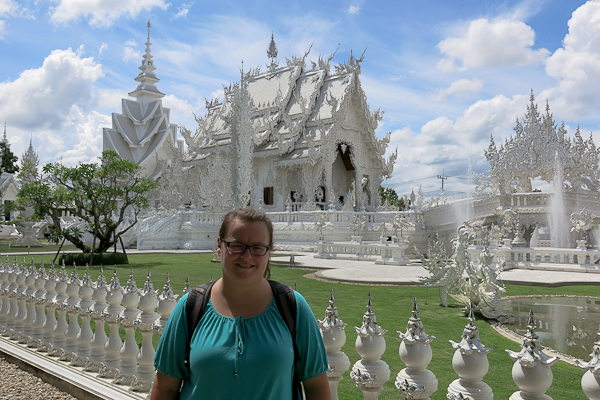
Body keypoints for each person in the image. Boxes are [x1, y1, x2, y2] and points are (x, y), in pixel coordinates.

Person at [151, 208, 331, 400]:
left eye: (258, 248)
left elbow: (317, 386)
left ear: (269, 251)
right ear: (219, 245)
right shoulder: (191, 306)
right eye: (236, 245)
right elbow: (165, 388)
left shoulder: (292, 306)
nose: (247, 256)